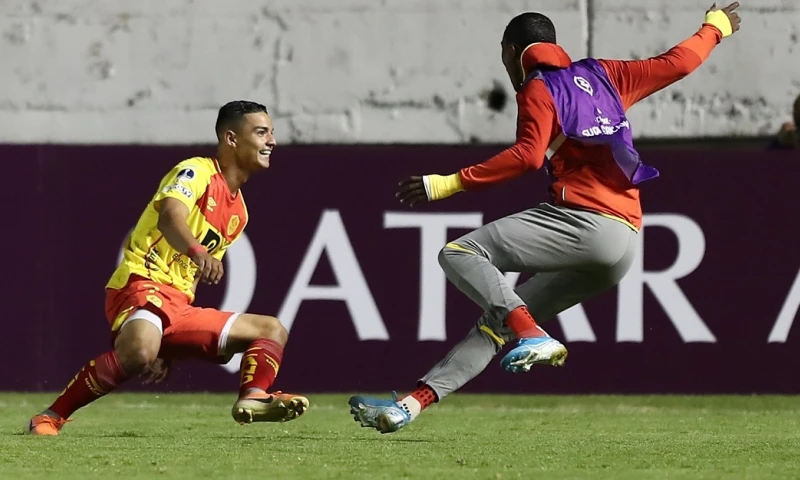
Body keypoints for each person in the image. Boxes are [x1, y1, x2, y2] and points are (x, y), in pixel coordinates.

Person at [349, 3, 742, 434]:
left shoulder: (538, 87)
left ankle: (532, 335)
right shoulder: (605, 74)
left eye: (504, 56)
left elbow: (527, 156)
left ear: (513, 50)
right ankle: (409, 405)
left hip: (585, 222)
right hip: (625, 241)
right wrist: (714, 27)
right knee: (496, 322)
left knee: (460, 252)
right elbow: (679, 63)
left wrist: (448, 183)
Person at [27, 100, 309, 435]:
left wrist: (168, 347)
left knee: (271, 329)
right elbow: (170, 215)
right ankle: (50, 416)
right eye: (262, 132)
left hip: (177, 305)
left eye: (271, 133)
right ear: (232, 138)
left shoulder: (240, 214)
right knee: (140, 351)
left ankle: (253, 396)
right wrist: (197, 250)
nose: (271, 141)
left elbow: (188, 274)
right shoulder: (197, 171)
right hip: (140, 282)